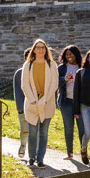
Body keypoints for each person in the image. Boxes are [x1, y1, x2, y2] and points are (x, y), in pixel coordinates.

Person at [20, 39, 59, 168]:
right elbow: (24, 84)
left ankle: (40, 158)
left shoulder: (51, 65)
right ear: (34, 49)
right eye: (38, 47)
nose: (41, 49)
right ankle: (31, 157)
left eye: (43, 47)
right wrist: (32, 99)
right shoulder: (28, 65)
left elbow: (54, 84)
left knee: (43, 132)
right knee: (32, 131)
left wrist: (45, 99)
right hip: (32, 103)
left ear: (46, 49)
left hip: (47, 103)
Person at [57, 45, 85, 161]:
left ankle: (84, 152)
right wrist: (65, 79)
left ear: (76, 54)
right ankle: (69, 153)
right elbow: (56, 83)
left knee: (82, 128)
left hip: (80, 102)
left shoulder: (82, 67)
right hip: (66, 101)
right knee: (68, 128)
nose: (69, 56)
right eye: (67, 54)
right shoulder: (62, 68)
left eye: (71, 54)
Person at [12, 47, 31, 158]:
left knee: (36, 132)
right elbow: (18, 92)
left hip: (37, 107)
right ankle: (23, 145)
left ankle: (35, 154)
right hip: (24, 107)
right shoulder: (20, 73)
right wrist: (20, 107)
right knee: (25, 130)